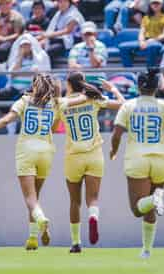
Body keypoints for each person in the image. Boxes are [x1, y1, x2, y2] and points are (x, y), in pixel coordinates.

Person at [0, 74, 90, 250]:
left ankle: (42, 219)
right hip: (46, 151)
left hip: (26, 150)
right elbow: (83, 97)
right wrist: (86, 88)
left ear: (34, 86)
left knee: (30, 198)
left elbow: (7, 119)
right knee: (35, 196)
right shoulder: (57, 102)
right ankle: (32, 238)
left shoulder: (24, 100)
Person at [110, 68, 164, 258]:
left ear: (138, 86)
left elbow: (116, 135)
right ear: (156, 87)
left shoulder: (128, 106)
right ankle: (146, 250)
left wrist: (113, 151)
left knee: (138, 209)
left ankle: (155, 199)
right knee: (150, 208)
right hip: (161, 160)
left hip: (137, 160)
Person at [57, 71, 125, 253]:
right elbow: (122, 105)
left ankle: (76, 242)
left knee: (74, 201)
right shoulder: (93, 98)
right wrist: (113, 89)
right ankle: (93, 216)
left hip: (73, 156)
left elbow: (53, 125)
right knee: (93, 199)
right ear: (83, 83)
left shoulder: (62, 103)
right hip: (94, 155)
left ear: (69, 84)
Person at [118, 0, 164, 67]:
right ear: (150, 5)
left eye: (158, 3)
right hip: (145, 41)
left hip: (158, 41)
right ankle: (129, 71)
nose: (155, 5)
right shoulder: (146, 18)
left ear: (162, 5)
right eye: (153, 3)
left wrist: (153, 40)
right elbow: (142, 32)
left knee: (153, 46)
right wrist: (141, 41)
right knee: (123, 47)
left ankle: (150, 72)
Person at [38, 0, 85, 67]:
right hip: (60, 40)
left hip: (72, 42)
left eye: (64, 1)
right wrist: (42, 38)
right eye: (60, 1)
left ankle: (47, 72)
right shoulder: (58, 13)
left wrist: (49, 35)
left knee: (48, 52)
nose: (62, 4)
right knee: (38, 45)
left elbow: (68, 30)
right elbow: (51, 30)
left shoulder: (74, 13)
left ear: (69, 2)